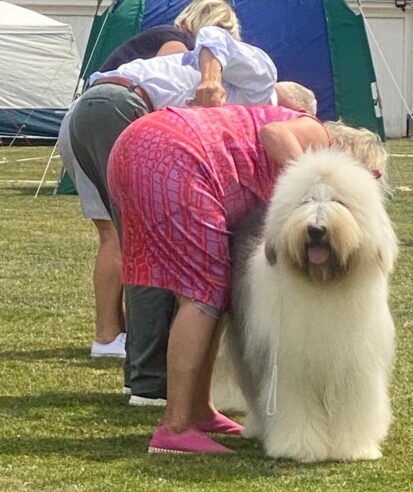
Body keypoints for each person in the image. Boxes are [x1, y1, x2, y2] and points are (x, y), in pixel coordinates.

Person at [107, 103, 388, 454]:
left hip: (140, 147)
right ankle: (175, 428)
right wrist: (309, 184)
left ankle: (200, 410)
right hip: (172, 154)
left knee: (211, 289)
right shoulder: (315, 136)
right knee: (202, 293)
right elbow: (273, 134)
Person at [68, 23, 278, 402]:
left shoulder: (246, 114)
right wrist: (210, 80)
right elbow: (213, 33)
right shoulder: (263, 79)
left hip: (91, 111)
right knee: (150, 248)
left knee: (139, 243)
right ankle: (150, 383)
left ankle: (145, 377)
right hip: (121, 108)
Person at [58, 0, 237, 358]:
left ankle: (109, 335)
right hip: (114, 116)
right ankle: (130, 342)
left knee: (112, 234)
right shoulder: (178, 46)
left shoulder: (155, 36)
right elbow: (166, 104)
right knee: (136, 234)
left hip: (80, 120)